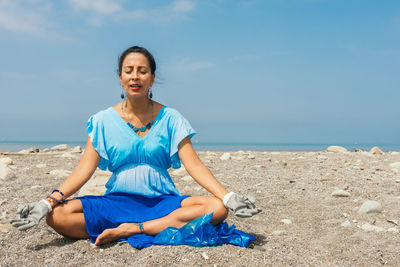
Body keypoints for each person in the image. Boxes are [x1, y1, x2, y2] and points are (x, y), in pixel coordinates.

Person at [11, 46, 260, 248]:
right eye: (129, 71)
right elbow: (83, 171)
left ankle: (134, 229)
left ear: (152, 78)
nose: (135, 76)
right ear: (120, 78)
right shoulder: (101, 121)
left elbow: (194, 165)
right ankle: (143, 226)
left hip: (162, 202)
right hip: (117, 202)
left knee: (216, 208)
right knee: (57, 216)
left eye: (142, 71)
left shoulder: (172, 118)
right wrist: (46, 203)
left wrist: (228, 197)